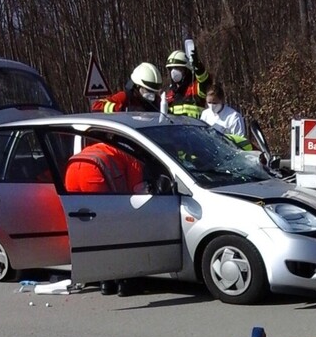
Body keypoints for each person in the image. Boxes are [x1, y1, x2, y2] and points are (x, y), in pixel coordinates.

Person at [65, 142, 145, 296]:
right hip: (94, 172)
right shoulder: (133, 156)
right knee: (114, 229)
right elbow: (136, 194)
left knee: (92, 230)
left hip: (73, 168)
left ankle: (105, 282)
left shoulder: (104, 146)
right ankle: (124, 282)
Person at [91, 63, 162, 113]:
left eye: (153, 92)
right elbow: (96, 106)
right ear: (137, 86)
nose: (151, 95)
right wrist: (122, 109)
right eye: (148, 90)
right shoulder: (125, 97)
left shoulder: (156, 102)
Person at [164, 46, 211, 117]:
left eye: (177, 68)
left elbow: (205, 82)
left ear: (186, 69)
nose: (174, 72)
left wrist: (199, 68)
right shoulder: (169, 94)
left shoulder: (196, 87)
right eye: (171, 69)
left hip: (195, 127)